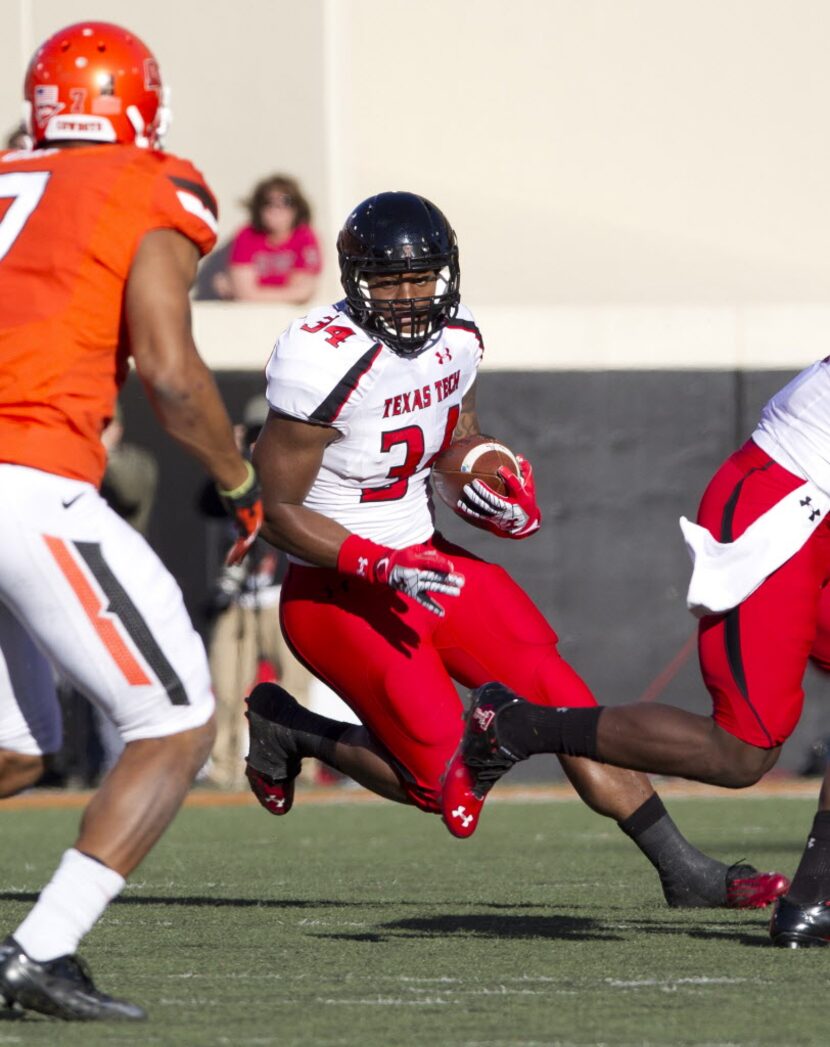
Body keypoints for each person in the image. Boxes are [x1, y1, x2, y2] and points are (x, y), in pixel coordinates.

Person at [243, 190, 786, 911]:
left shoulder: (458, 338)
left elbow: (454, 432)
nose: (409, 297)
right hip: (340, 589)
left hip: (430, 565)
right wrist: (377, 561)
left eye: (422, 278)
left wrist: (487, 475)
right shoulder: (320, 357)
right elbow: (270, 509)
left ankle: (683, 870)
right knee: (442, 785)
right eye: (390, 280)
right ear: (354, 278)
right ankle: (292, 726)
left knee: (567, 704)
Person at [0, 21, 262, 1020]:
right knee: (174, 722)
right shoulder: (145, 180)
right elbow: (169, 370)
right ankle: (40, 950)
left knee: (20, 749)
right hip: (28, 472)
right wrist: (240, 484)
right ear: (137, 104)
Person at [441, 353, 830, 947]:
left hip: (810, 499)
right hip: (786, 501)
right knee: (741, 751)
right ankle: (519, 725)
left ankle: (813, 899)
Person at [200, 395, 315, 789]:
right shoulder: (232, 476)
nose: (254, 442)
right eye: (250, 434)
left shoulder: (290, 467)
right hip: (237, 600)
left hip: (283, 596)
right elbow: (206, 501)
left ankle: (299, 771)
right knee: (228, 687)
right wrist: (230, 458)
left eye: (260, 434)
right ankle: (224, 770)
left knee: (294, 690)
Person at [213, 174, 321, 303]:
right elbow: (245, 292)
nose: (276, 209)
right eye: (267, 202)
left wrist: (250, 293)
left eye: (286, 201)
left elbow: (303, 292)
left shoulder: (305, 237)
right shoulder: (247, 236)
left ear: (297, 208)